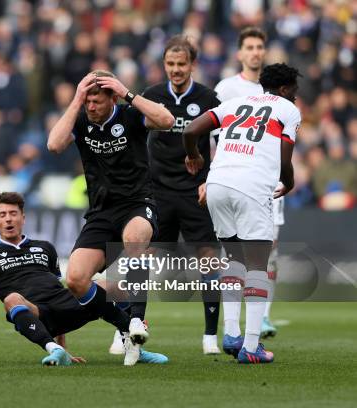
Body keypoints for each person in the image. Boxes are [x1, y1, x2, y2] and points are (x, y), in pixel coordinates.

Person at [47, 70, 174, 364]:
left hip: (137, 203)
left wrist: (128, 92)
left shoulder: (130, 115)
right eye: (87, 100)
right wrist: (77, 98)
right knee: (76, 279)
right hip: (101, 213)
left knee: (134, 238)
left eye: (96, 101)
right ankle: (126, 329)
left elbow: (166, 121)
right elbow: (54, 145)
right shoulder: (81, 118)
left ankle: (139, 320)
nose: (91, 107)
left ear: (112, 98)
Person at [0, 192, 169, 366]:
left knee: (113, 286)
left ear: (23, 217)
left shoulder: (45, 248)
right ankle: (53, 348)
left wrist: (67, 348)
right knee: (12, 298)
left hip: (67, 307)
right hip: (36, 313)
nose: (8, 219)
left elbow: (59, 289)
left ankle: (133, 347)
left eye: (13, 213)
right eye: (2, 215)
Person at [183, 63, 302, 364]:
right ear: (286, 89)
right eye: (295, 91)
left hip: (217, 185)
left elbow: (191, 129)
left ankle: (232, 334)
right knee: (257, 266)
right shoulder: (287, 110)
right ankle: (251, 347)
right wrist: (289, 183)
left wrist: (194, 155)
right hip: (251, 186)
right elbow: (283, 159)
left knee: (233, 259)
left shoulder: (234, 104)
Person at [110, 34, 221, 356]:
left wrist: (210, 179)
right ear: (164, 65)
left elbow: (222, 143)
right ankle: (131, 328)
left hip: (195, 191)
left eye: (181, 64)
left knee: (208, 260)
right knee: (141, 256)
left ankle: (210, 335)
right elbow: (131, 137)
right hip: (156, 190)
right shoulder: (152, 96)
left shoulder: (208, 97)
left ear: (193, 65)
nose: (176, 69)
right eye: (171, 64)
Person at [214, 27, 280, 338]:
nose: (255, 52)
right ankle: (234, 325)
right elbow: (213, 137)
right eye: (249, 47)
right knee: (235, 253)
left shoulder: (275, 90)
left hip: (267, 181)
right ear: (240, 53)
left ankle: (262, 317)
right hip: (232, 178)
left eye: (259, 47)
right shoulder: (226, 89)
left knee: (270, 251)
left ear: (264, 53)